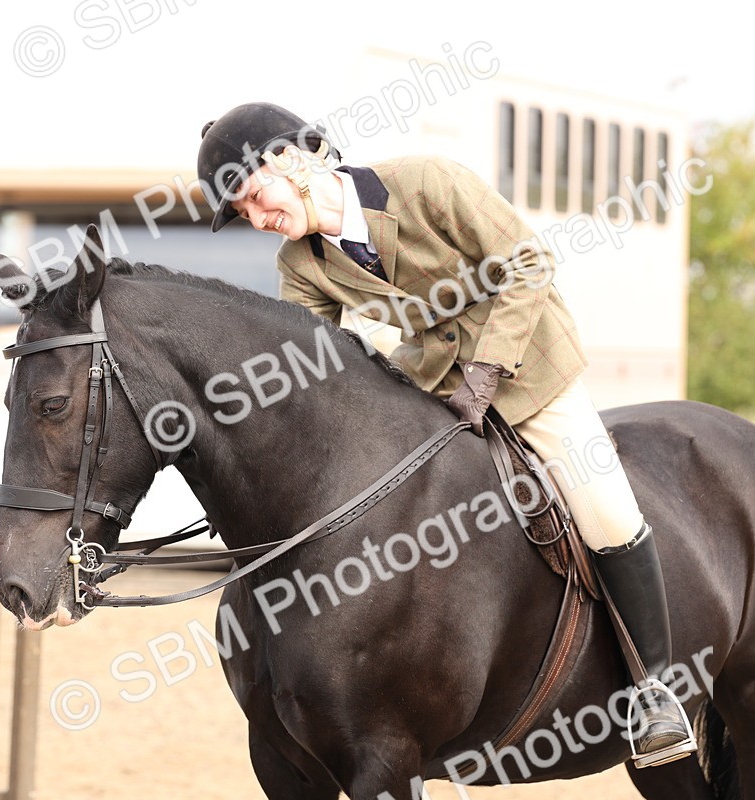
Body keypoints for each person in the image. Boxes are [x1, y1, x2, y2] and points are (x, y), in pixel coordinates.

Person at [196, 101, 696, 768]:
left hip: (530, 370)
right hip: (433, 385)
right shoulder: (301, 265)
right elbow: (315, 373)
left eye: (257, 198)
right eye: (245, 213)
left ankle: (654, 695)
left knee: (607, 511)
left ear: (290, 161)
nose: (259, 220)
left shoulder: (427, 181)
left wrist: (488, 369)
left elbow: (527, 261)